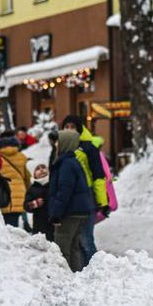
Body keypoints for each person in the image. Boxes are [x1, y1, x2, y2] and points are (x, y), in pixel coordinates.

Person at [60, 115, 109, 266]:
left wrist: (102, 201)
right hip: (69, 198)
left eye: (72, 127)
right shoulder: (62, 146)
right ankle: (82, 271)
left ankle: (96, 270)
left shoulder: (88, 148)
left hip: (86, 198)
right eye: (66, 127)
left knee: (85, 238)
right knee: (74, 240)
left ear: (79, 129)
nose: (69, 130)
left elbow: (98, 176)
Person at [47, 130, 95, 272]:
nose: (56, 144)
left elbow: (64, 190)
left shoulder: (66, 164)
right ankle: (75, 276)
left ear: (65, 143)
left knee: (62, 249)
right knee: (74, 248)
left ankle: (65, 278)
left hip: (69, 212)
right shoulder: (73, 161)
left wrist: (56, 213)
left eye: (58, 141)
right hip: (79, 211)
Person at [0, 130, 31, 227]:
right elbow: (27, 178)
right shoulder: (22, 157)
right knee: (15, 228)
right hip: (19, 196)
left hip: (3, 196)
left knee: (4, 228)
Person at [24, 163, 54, 242]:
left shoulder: (53, 184)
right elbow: (26, 206)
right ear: (34, 174)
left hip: (53, 223)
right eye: (38, 169)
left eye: (43, 167)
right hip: (39, 224)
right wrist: (33, 204)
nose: (41, 170)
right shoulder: (32, 188)